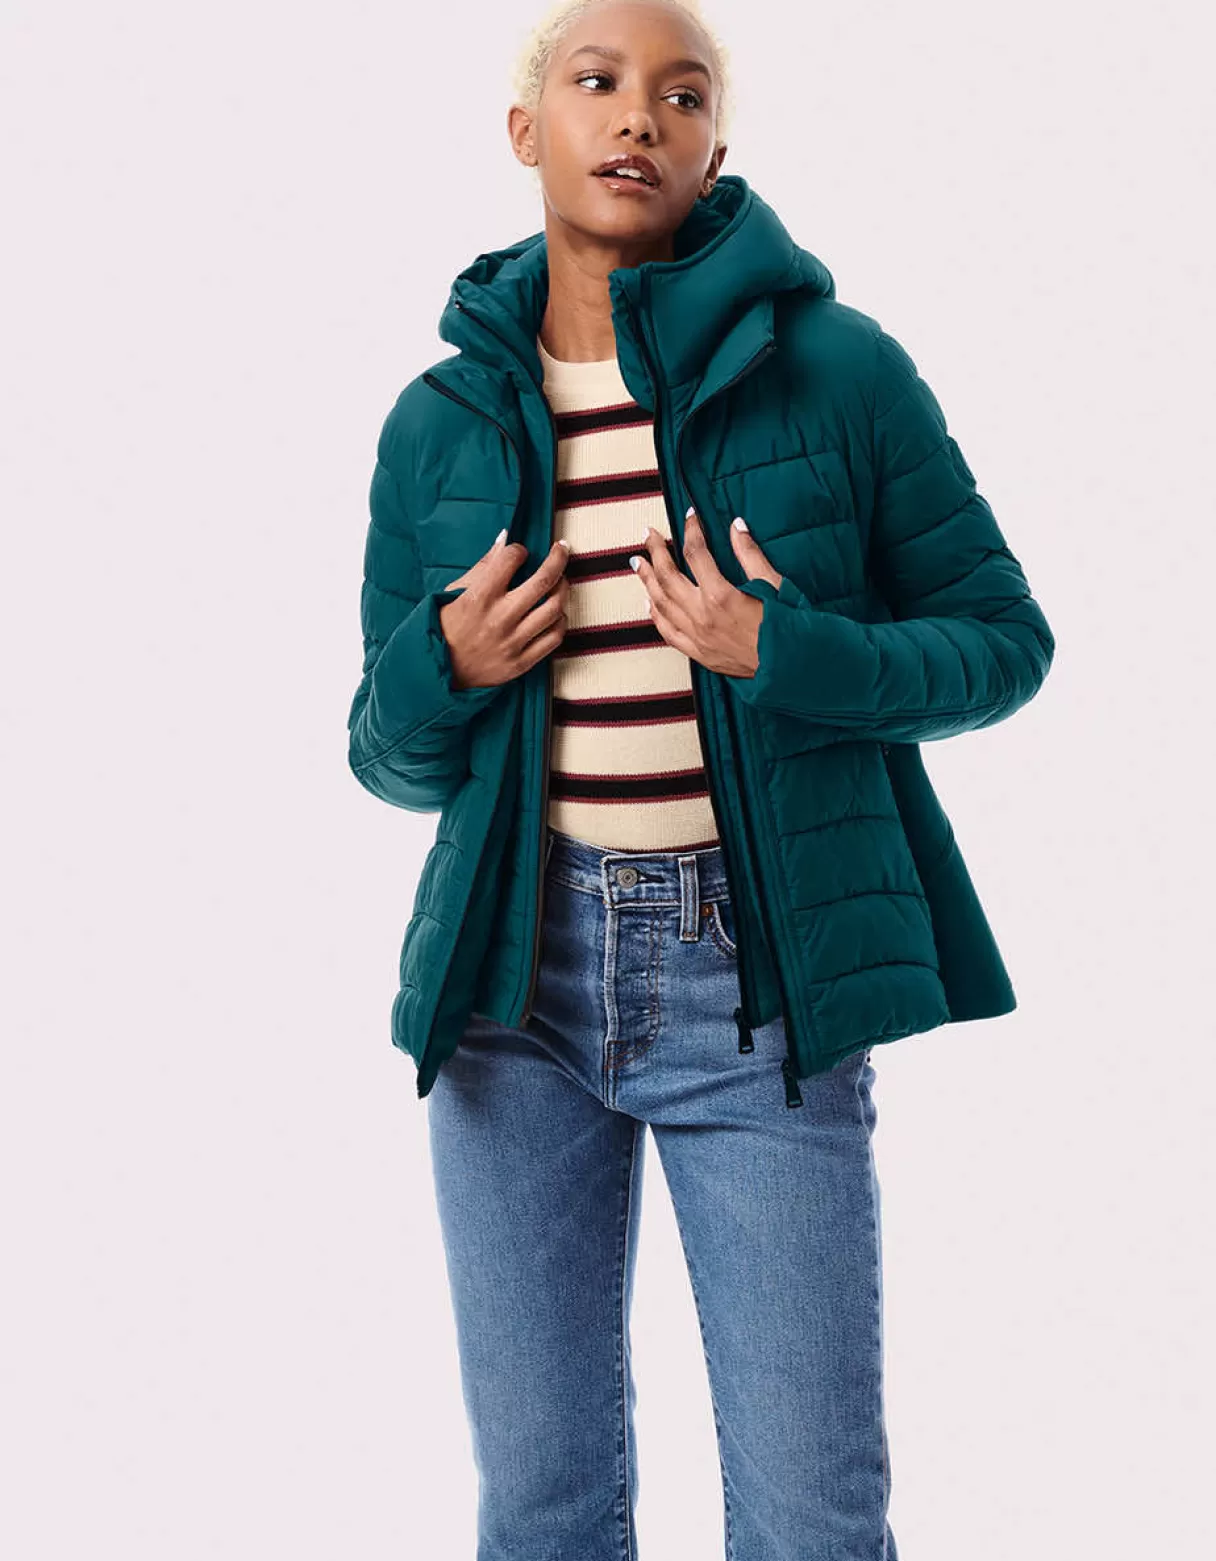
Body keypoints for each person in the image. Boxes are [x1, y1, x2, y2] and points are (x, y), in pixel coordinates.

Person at [346, 1, 1055, 1555]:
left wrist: (787, 651)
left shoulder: (840, 373)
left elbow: (1007, 645)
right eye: (597, 82)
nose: (638, 116)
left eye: (682, 94)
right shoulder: (438, 425)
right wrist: (443, 665)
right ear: (526, 131)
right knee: (542, 1506)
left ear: (715, 149)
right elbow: (386, 758)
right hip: (511, 987)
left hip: (760, 974)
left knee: (812, 1511)